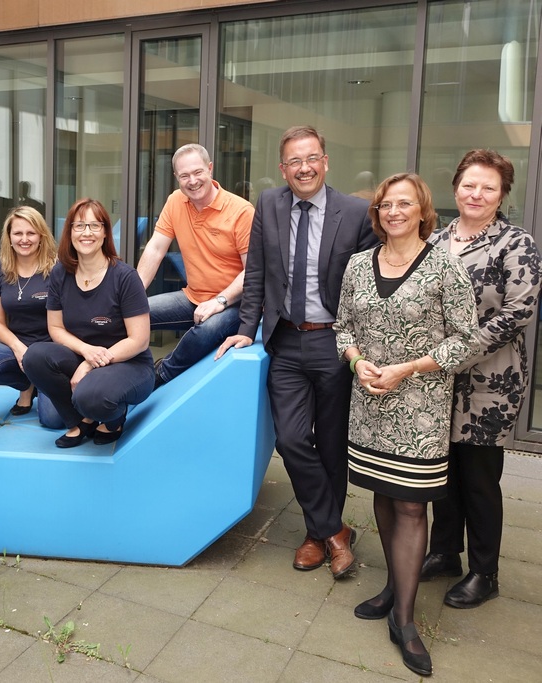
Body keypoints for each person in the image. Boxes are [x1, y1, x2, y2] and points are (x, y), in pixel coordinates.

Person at [217, 125, 378, 578]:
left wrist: (360, 345)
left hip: (334, 342)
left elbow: (366, 287)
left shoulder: (356, 212)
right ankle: (334, 531)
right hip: (285, 340)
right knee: (289, 439)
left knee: (330, 444)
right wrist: (247, 328)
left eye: (312, 158)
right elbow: (256, 273)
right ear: (282, 168)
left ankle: (315, 533)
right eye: (294, 161)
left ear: (325, 161)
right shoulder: (268, 205)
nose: (304, 168)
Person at [336, 173, 478, 676]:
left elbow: (467, 340)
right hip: (370, 407)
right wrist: (356, 362)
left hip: (420, 410)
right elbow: (343, 328)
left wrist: (408, 368)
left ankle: (405, 618)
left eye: (404, 204)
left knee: (411, 506)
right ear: (376, 214)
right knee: (382, 496)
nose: (394, 211)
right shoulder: (357, 265)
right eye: (386, 205)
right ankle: (393, 587)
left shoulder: (445, 267)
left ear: (423, 211)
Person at [421, 150, 542, 608]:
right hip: (436, 378)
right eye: (470, 185)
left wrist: (451, 353)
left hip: (491, 380)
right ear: (456, 187)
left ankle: (484, 572)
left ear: (502, 194)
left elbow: (518, 312)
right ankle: (444, 552)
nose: (477, 194)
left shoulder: (516, 243)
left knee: (479, 480)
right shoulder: (435, 238)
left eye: (488, 187)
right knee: (442, 472)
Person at [23, 199, 154, 448]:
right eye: (79, 225)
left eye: (94, 226)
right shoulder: (61, 273)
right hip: (84, 355)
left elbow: (140, 340)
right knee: (34, 356)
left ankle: (113, 418)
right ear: (69, 232)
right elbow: (55, 328)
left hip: (128, 363)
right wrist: (85, 352)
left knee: (92, 396)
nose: (86, 233)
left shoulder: (125, 277)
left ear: (105, 232)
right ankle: (81, 420)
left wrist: (89, 366)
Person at [137, 143, 254, 386]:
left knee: (206, 331)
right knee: (134, 314)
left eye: (198, 172)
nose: (192, 181)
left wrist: (218, 301)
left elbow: (251, 271)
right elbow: (156, 248)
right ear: (176, 177)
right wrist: (133, 296)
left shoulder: (241, 211)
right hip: (193, 297)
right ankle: (126, 374)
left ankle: (159, 376)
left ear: (210, 169)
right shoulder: (175, 201)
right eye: (184, 175)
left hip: (233, 303)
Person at [0, 206, 60, 425]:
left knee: (53, 420)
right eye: (18, 233)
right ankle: (26, 385)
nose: (24, 239)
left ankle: (42, 380)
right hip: (18, 343)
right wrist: (18, 348)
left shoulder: (57, 270)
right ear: (9, 237)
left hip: (51, 349)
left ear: (41, 236)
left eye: (31, 233)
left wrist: (39, 358)